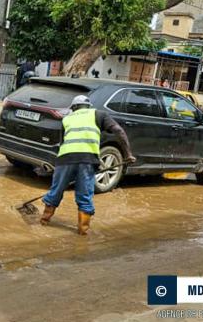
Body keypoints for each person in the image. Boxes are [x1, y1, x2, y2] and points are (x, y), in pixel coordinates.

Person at [40, 95, 136, 235]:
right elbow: (119, 131)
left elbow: (62, 143)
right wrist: (128, 154)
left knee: (56, 191)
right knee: (84, 195)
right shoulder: (99, 114)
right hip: (87, 160)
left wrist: (61, 170)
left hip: (65, 159)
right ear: (89, 106)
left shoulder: (67, 119)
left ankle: (44, 221)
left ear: (73, 108)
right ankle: (82, 233)